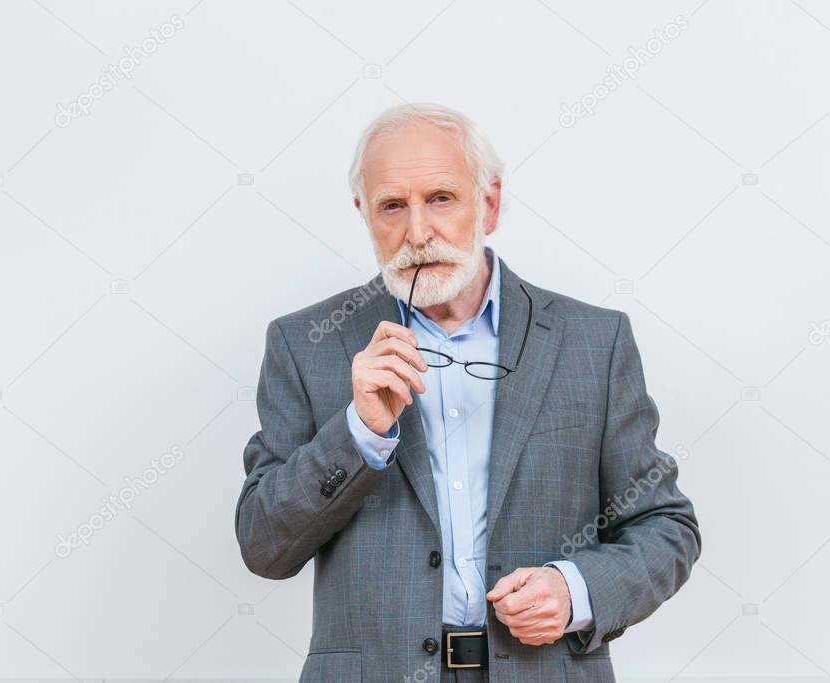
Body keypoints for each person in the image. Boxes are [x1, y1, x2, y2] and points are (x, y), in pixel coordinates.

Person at [234, 102, 701, 683]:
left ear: (490, 203)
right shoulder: (305, 344)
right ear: (365, 214)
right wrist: (359, 431)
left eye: (441, 198)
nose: (417, 232)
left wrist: (575, 588)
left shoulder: (595, 341)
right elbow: (264, 547)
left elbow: (665, 527)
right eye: (392, 207)